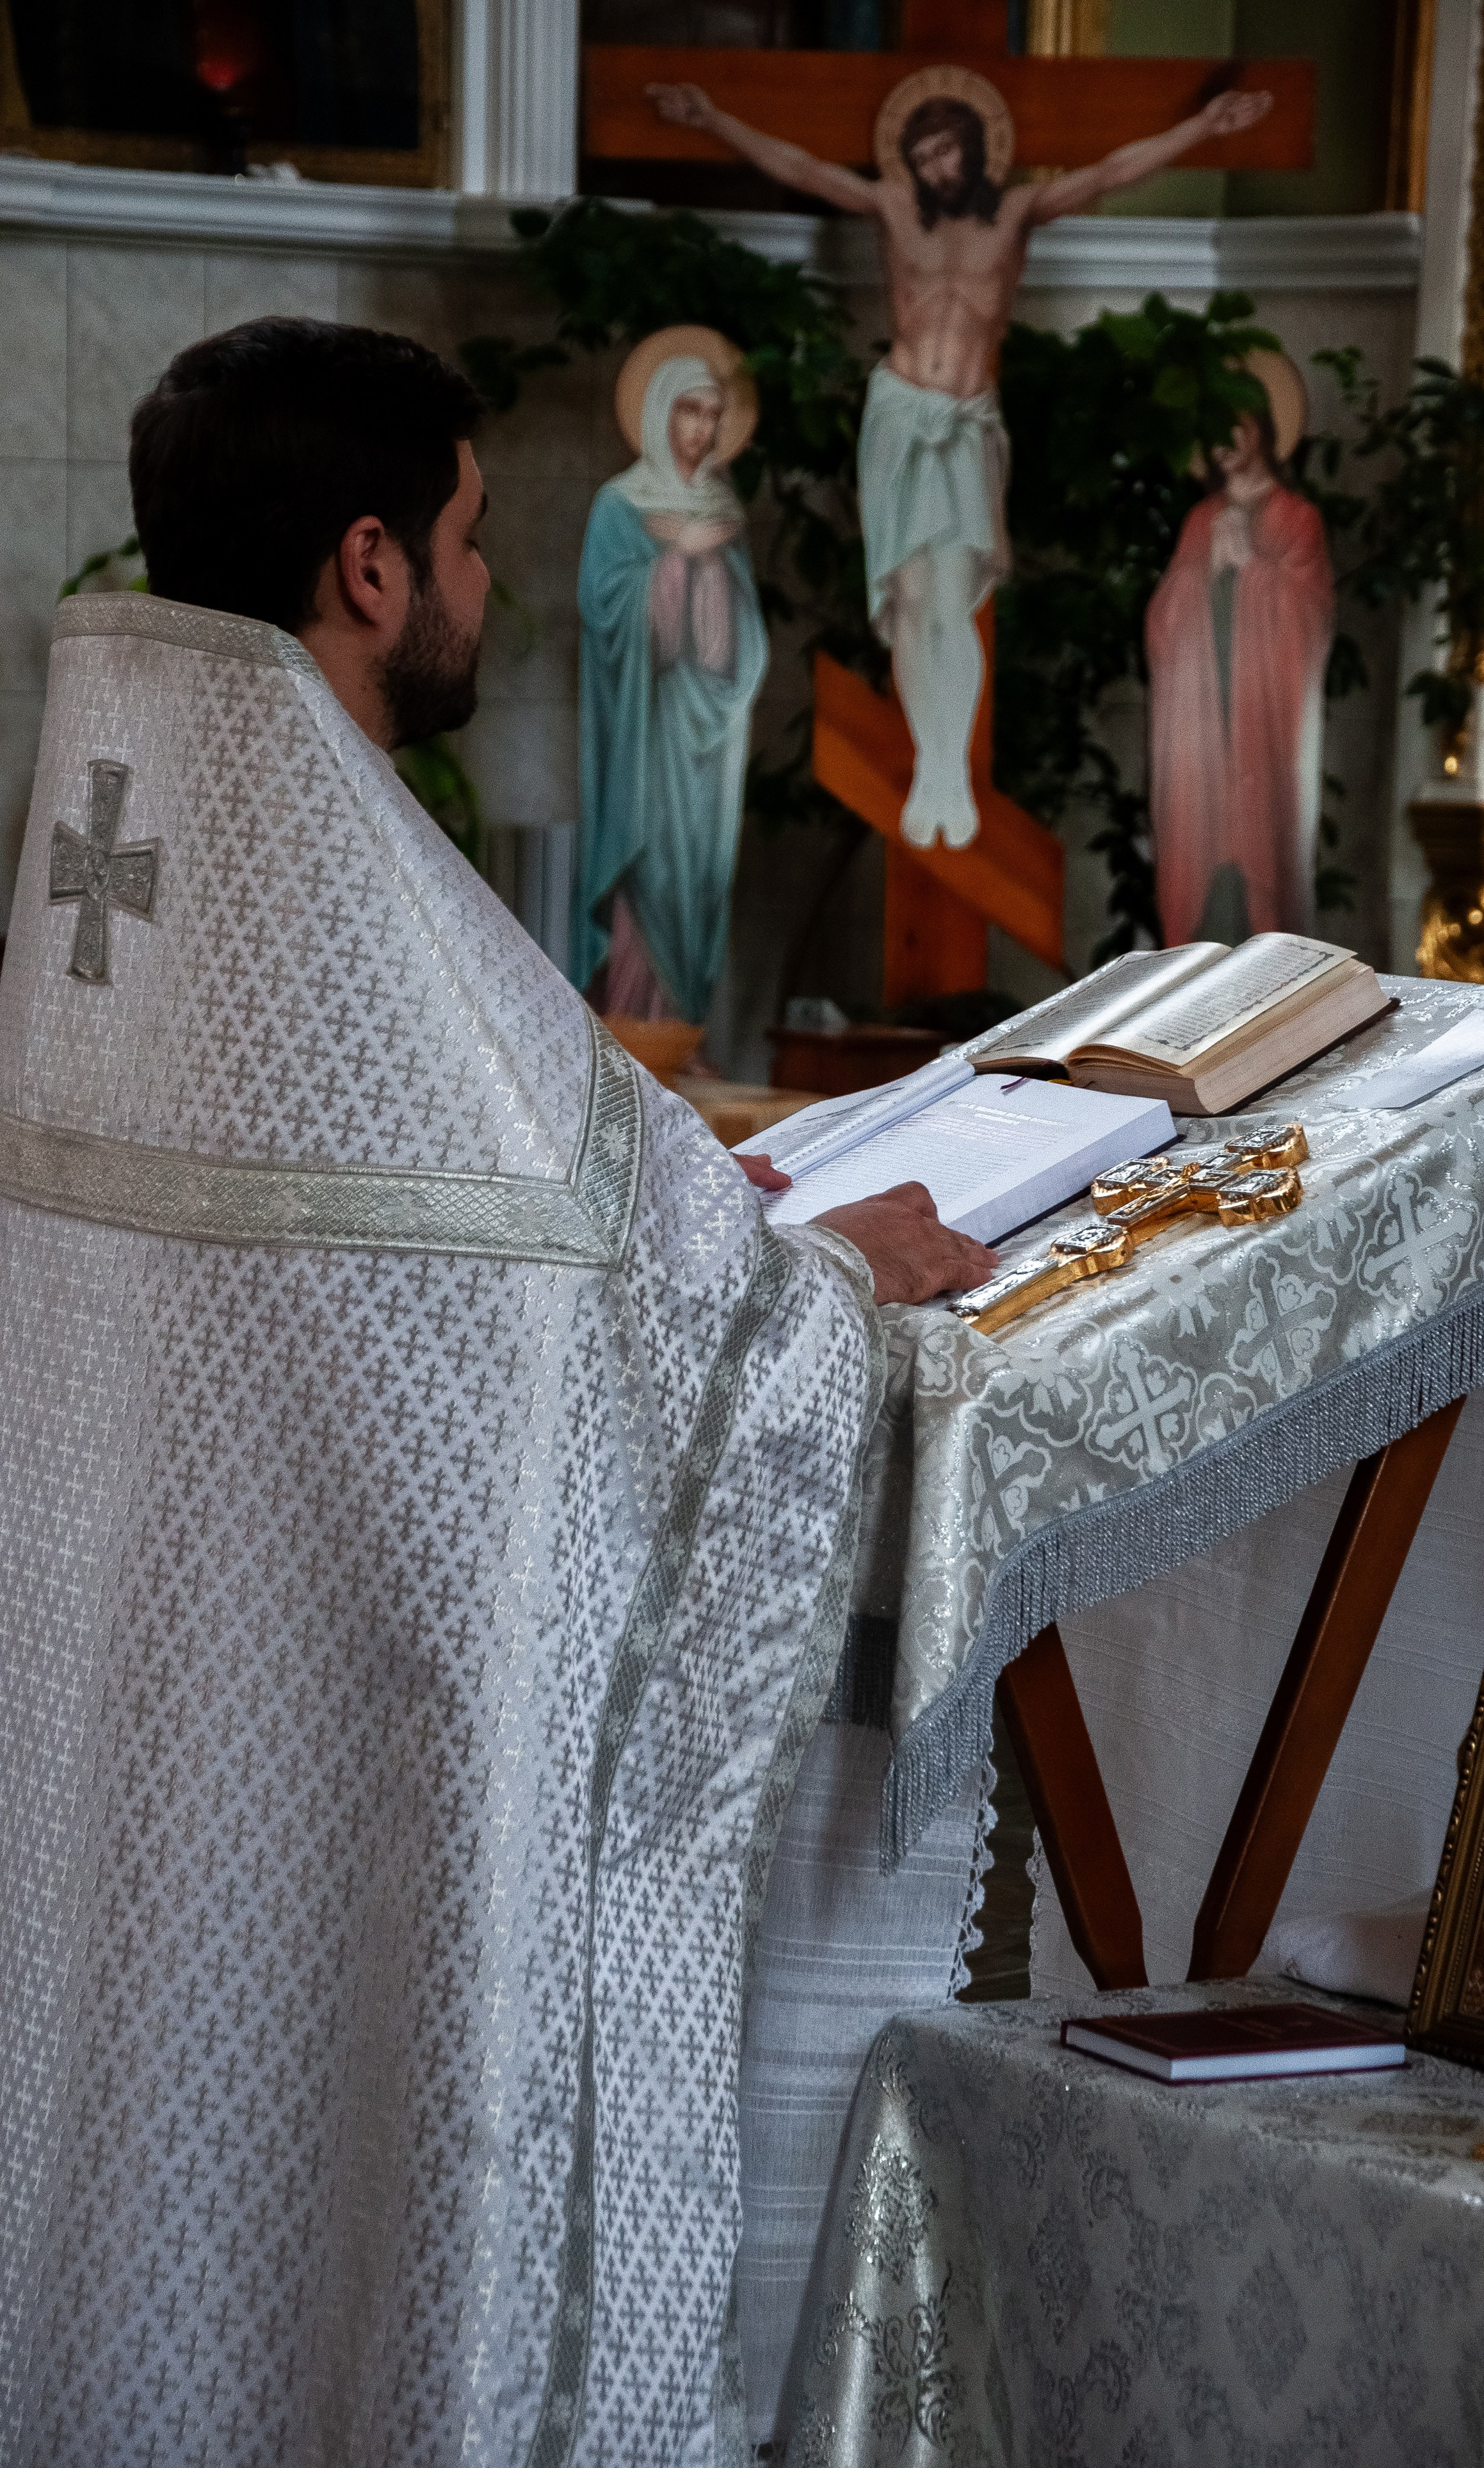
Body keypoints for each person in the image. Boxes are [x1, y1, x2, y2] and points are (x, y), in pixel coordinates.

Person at [0, 315, 992, 2468]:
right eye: (464, 535)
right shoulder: (361, 906)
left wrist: (720, 1230)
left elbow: (514, 1256)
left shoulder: (122, 869)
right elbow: (668, 1343)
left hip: (132, 1726)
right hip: (359, 1774)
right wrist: (838, 1279)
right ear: (368, 567)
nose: (487, 584)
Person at [648, 69, 1272, 851]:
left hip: (967, 423)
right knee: (911, 603)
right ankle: (932, 766)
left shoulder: (1014, 212)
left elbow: (1110, 171)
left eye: (948, 151)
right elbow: (803, 169)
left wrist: (1205, 129)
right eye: (924, 154)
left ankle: (948, 767)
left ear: (975, 152)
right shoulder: (891, 207)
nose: (936, 167)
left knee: (953, 603)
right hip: (900, 415)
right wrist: (713, 115)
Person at [574, 332, 768, 1028]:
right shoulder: (618, 506)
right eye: (688, 411)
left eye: (713, 415)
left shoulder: (725, 513)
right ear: (659, 413)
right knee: (646, 869)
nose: (702, 429)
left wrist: (710, 565)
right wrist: (674, 562)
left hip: (709, 738)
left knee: (700, 879)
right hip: (643, 726)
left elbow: (744, 645)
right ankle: (632, 1024)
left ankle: (684, 1027)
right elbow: (604, 616)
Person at [1145, 357, 1334, 946]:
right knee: (1198, 846)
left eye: (1234, 427)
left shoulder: (1297, 519)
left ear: (1260, 429)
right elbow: (1160, 622)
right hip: (1201, 719)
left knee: (1261, 855)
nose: (1221, 445)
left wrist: (1252, 572)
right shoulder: (1201, 521)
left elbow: (1312, 616)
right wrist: (1197, 583)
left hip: (1262, 720)